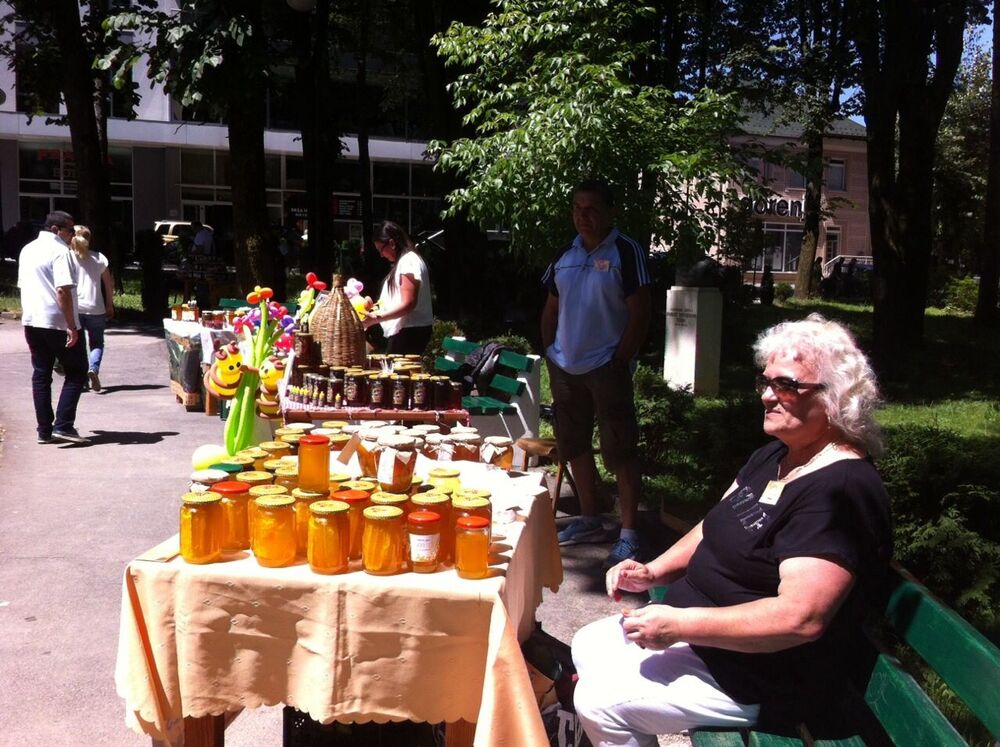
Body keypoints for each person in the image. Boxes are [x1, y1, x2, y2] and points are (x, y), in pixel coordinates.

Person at [571, 314, 891, 745]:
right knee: (589, 643)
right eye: (766, 382)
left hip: (763, 676)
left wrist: (681, 625)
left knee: (601, 703)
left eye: (786, 386)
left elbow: (801, 618)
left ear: (837, 398)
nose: (766, 396)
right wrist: (653, 571)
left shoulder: (843, 490)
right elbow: (713, 525)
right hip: (716, 648)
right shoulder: (775, 457)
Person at [541, 179, 652, 569]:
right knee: (574, 446)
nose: (582, 216)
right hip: (566, 367)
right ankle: (589, 519)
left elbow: (641, 312)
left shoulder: (626, 250)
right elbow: (552, 306)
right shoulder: (564, 254)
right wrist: (550, 353)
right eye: (577, 208)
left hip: (607, 366)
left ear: (610, 212)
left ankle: (628, 533)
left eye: (591, 209)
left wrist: (620, 360)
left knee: (619, 449)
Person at [17, 210, 90, 444]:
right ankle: (64, 425)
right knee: (77, 372)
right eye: (70, 230)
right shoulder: (60, 251)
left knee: (41, 374)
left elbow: (23, 286)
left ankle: (44, 430)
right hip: (58, 322)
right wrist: (71, 325)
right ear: (56, 230)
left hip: (33, 319)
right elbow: (62, 290)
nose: (73, 235)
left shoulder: (27, 250)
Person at [361, 220, 434, 355]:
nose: (381, 255)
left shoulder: (408, 262)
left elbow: (408, 303)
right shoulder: (407, 261)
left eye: (381, 250)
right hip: (408, 330)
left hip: (410, 331)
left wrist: (377, 317)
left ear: (392, 243)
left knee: (394, 373)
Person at [70, 225, 115, 392]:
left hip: (76, 308)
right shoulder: (99, 258)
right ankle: (93, 369)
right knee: (96, 343)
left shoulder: (67, 257)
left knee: (78, 344)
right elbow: (108, 284)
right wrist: (109, 304)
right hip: (96, 307)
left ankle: (81, 380)